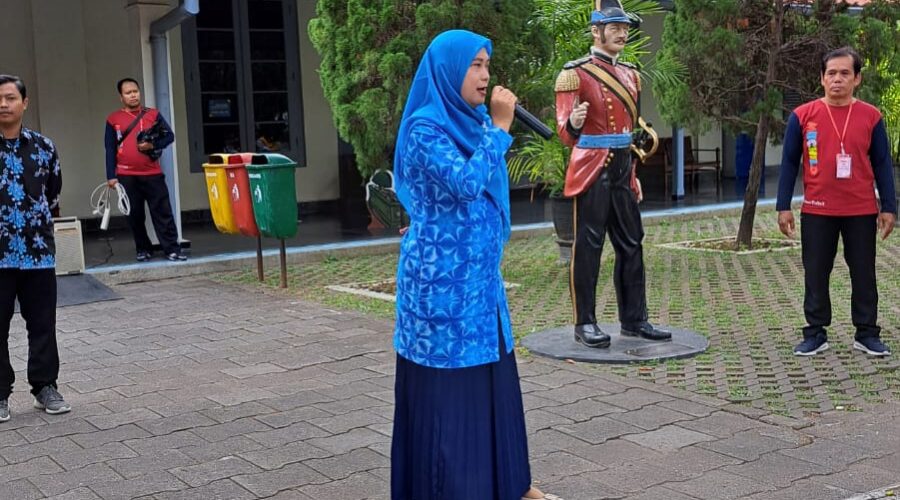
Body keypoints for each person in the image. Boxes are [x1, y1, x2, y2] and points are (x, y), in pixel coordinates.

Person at [390, 30, 546, 500]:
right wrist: (499, 129)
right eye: (475, 65)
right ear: (448, 70)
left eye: (487, 65)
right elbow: (464, 183)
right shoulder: (425, 129)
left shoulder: (472, 123)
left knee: (492, 386)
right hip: (442, 291)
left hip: (480, 286)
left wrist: (490, 128)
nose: (484, 75)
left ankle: (509, 484)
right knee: (450, 397)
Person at [555, 0, 670, 348]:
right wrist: (574, 123)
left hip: (622, 164)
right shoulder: (575, 73)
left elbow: (629, 130)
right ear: (596, 31)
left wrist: (633, 172)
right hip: (593, 165)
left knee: (632, 242)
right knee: (589, 245)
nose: (622, 33)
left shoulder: (631, 74)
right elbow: (564, 132)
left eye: (624, 28)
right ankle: (585, 322)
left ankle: (635, 319)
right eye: (614, 27)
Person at [777, 47, 896, 357]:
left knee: (864, 272)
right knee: (816, 272)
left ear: (857, 79)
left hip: (861, 209)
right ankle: (815, 332)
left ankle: (867, 332)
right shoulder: (803, 116)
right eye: (831, 73)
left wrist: (889, 207)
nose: (837, 79)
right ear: (822, 78)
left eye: (845, 73)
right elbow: (789, 163)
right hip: (817, 209)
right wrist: (783, 206)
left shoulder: (871, 116)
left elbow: (882, 163)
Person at [0, 74, 71, 422]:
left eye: (10, 98)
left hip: (37, 252)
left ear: (24, 103)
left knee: (42, 323)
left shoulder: (43, 147)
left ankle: (45, 387)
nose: (3, 104)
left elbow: (53, 193)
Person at [104, 78, 186, 262]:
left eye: (135, 91)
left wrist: (152, 145)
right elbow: (109, 148)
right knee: (134, 215)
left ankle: (172, 249)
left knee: (163, 213)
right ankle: (143, 249)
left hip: (152, 173)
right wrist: (111, 175)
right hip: (126, 175)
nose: (133, 95)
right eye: (128, 93)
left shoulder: (153, 114)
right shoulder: (113, 119)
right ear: (121, 97)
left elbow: (169, 136)